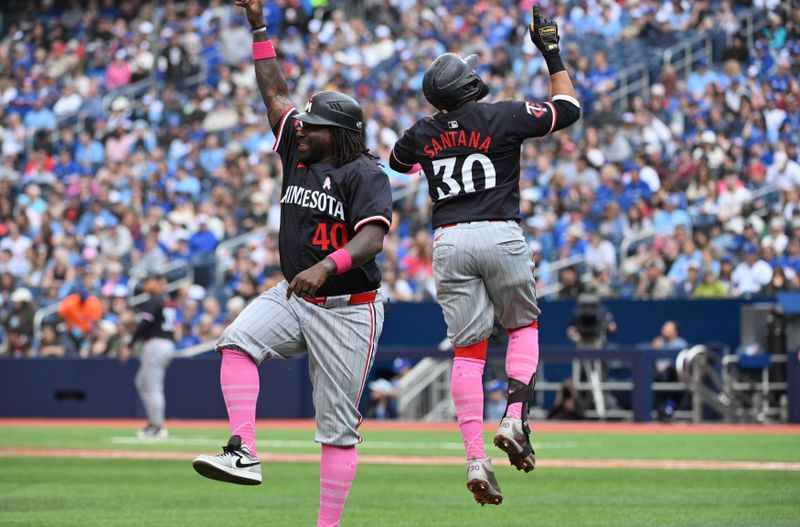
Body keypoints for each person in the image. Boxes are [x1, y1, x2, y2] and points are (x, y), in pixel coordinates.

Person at [192, 3, 393, 527]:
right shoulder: (297, 153)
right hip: (295, 295)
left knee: (336, 430)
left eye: (315, 125)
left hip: (350, 308)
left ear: (341, 133)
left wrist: (328, 266)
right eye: (304, 123)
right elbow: (274, 93)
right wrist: (259, 28)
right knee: (235, 343)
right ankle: (244, 451)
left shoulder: (364, 173)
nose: (302, 128)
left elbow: (372, 238)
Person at [389, 6, 580, 505]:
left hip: (449, 239)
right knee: (522, 328)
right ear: (470, 83)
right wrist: (550, 51)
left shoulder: (421, 132)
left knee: (468, 353)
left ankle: (475, 457)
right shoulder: (504, 114)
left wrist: (439, 137)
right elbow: (569, 108)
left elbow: (397, 161)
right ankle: (515, 418)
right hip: (500, 230)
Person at [120, 272, 177, 440]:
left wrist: (129, 345)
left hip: (156, 344)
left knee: (153, 387)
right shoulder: (167, 301)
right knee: (142, 382)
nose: (145, 285)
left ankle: (157, 427)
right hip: (166, 343)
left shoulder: (155, 299)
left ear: (158, 282)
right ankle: (153, 422)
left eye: (148, 281)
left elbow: (144, 324)